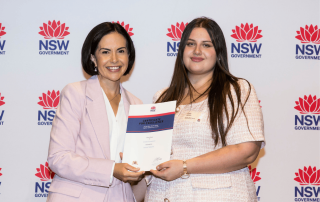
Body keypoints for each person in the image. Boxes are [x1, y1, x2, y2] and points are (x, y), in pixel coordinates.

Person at [135, 17, 265, 202]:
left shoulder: (237, 90)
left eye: (206, 45)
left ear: (218, 53)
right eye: (190, 44)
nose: (197, 51)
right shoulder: (162, 97)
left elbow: (247, 150)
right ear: (181, 51)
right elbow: (153, 153)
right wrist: (138, 160)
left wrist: (185, 166)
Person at [46, 22, 145, 202]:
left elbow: (139, 165)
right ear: (93, 58)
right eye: (105, 52)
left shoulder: (137, 105)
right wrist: (112, 169)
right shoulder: (75, 93)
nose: (114, 59)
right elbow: (58, 158)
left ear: (129, 56)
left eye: (121, 51)